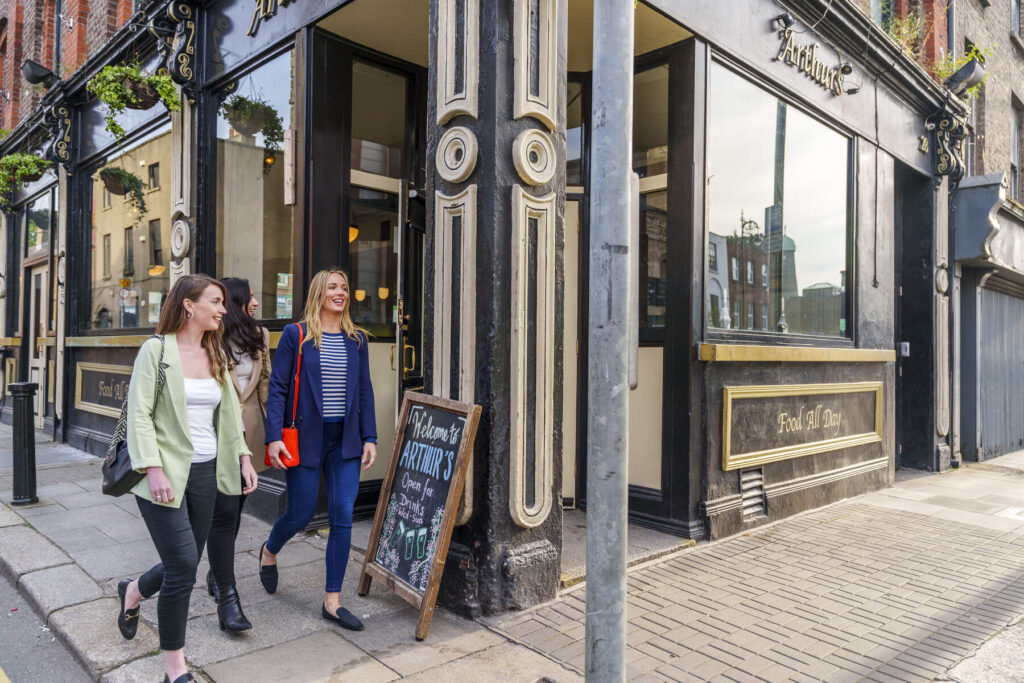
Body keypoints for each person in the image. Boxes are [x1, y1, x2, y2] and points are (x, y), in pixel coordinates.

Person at [116, 274, 258, 683]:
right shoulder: (156, 351)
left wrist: (244, 458)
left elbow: (229, 413)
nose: (222, 308)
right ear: (189, 305)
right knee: (182, 567)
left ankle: (133, 591)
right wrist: (153, 469)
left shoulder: (215, 351)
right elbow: (139, 412)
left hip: (206, 472)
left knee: (187, 562)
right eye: (215, 301)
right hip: (162, 474)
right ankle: (175, 669)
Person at [259, 268, 377, 631]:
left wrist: (370, 436)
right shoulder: (298, 336)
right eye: (332, 287)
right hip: (306, 437)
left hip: (346, 440)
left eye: (344, 286)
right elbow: (277, 387)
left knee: (342, 515)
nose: (340, 292)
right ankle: (269, 550)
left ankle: (332, 601)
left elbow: (364, 389)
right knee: (300, 512)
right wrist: (273, 435)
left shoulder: (357, 339)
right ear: (318, 294)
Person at [203, 278, 270, 632]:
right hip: (220, 437)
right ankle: (226, 591)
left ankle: (217, 573)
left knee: (237, 507)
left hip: (253, 434)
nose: (256, 301)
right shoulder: (210, 338)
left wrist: (273, 434)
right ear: (236, 302)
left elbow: (265, 385)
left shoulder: (259, 337)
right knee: (224, 510)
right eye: (251, 297)